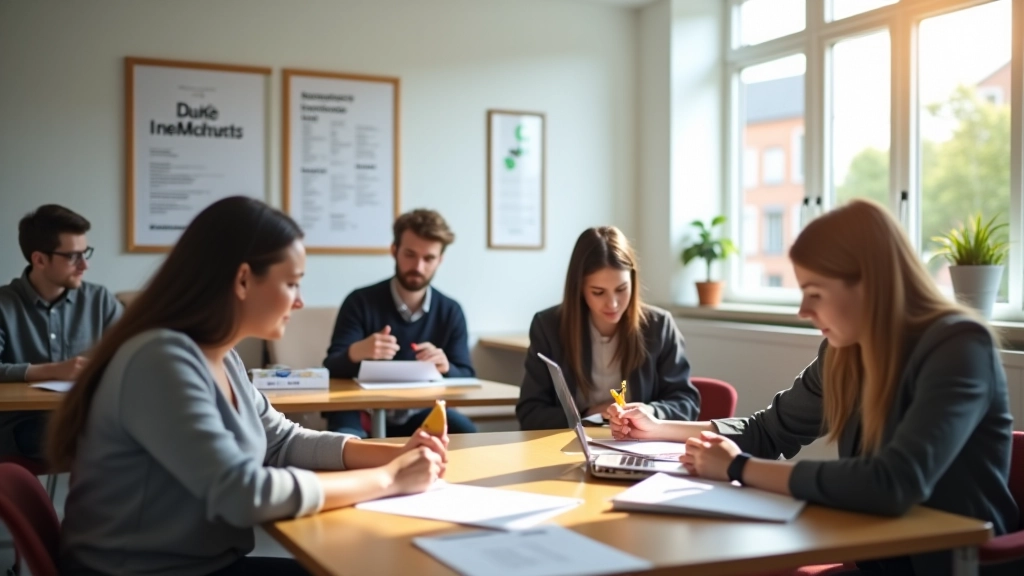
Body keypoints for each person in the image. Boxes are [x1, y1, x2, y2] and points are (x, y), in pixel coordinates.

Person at [611, 200, 1020, 575]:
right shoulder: (844, 352)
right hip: (877, 559)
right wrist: (658, 427)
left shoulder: (959, 346)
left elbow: (893, 483)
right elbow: (768, 431)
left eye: (815, 294)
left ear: (869, 284)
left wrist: (738, 467)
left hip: (954, 565)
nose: (803, 311)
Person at [51, 197, 447, 576]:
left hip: (200, 565)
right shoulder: (161, 358)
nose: (300, 302)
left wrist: (394, 454)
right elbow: (242, 494)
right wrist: (390, 478)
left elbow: (282, 441)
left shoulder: (221, 356)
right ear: (243, 280)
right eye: (292, 283)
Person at [517, 226, 700, 430]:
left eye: (621, 289)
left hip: (638, 444)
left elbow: (686, 403)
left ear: (633, 281)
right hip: (572, 443)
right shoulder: (548, 326)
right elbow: (530, 412)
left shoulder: (659, 326)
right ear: (579, 288)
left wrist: (650, 412)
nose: (612, 304)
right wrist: (587, 415)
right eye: (598, 292)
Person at [322, 209, 477, 438]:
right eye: (410, 254)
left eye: (429, 258)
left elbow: (467, 376)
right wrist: (358, 352)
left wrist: (446, 367)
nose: (418, 267)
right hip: (358, 408)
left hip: (421, 412)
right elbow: (330, 368)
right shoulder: (359, 301)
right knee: (347, 439)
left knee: (466, 432)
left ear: (440, 260)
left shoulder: (450, 311)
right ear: (394, 250)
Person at [0, 204, 122, 459]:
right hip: (24, 425)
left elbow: (133, 353)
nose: (85, 265)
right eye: (73, 256)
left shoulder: (99, 299)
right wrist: (52, 370)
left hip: (88, 415)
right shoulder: (4, 304)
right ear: (39, 260)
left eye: (85, 253)